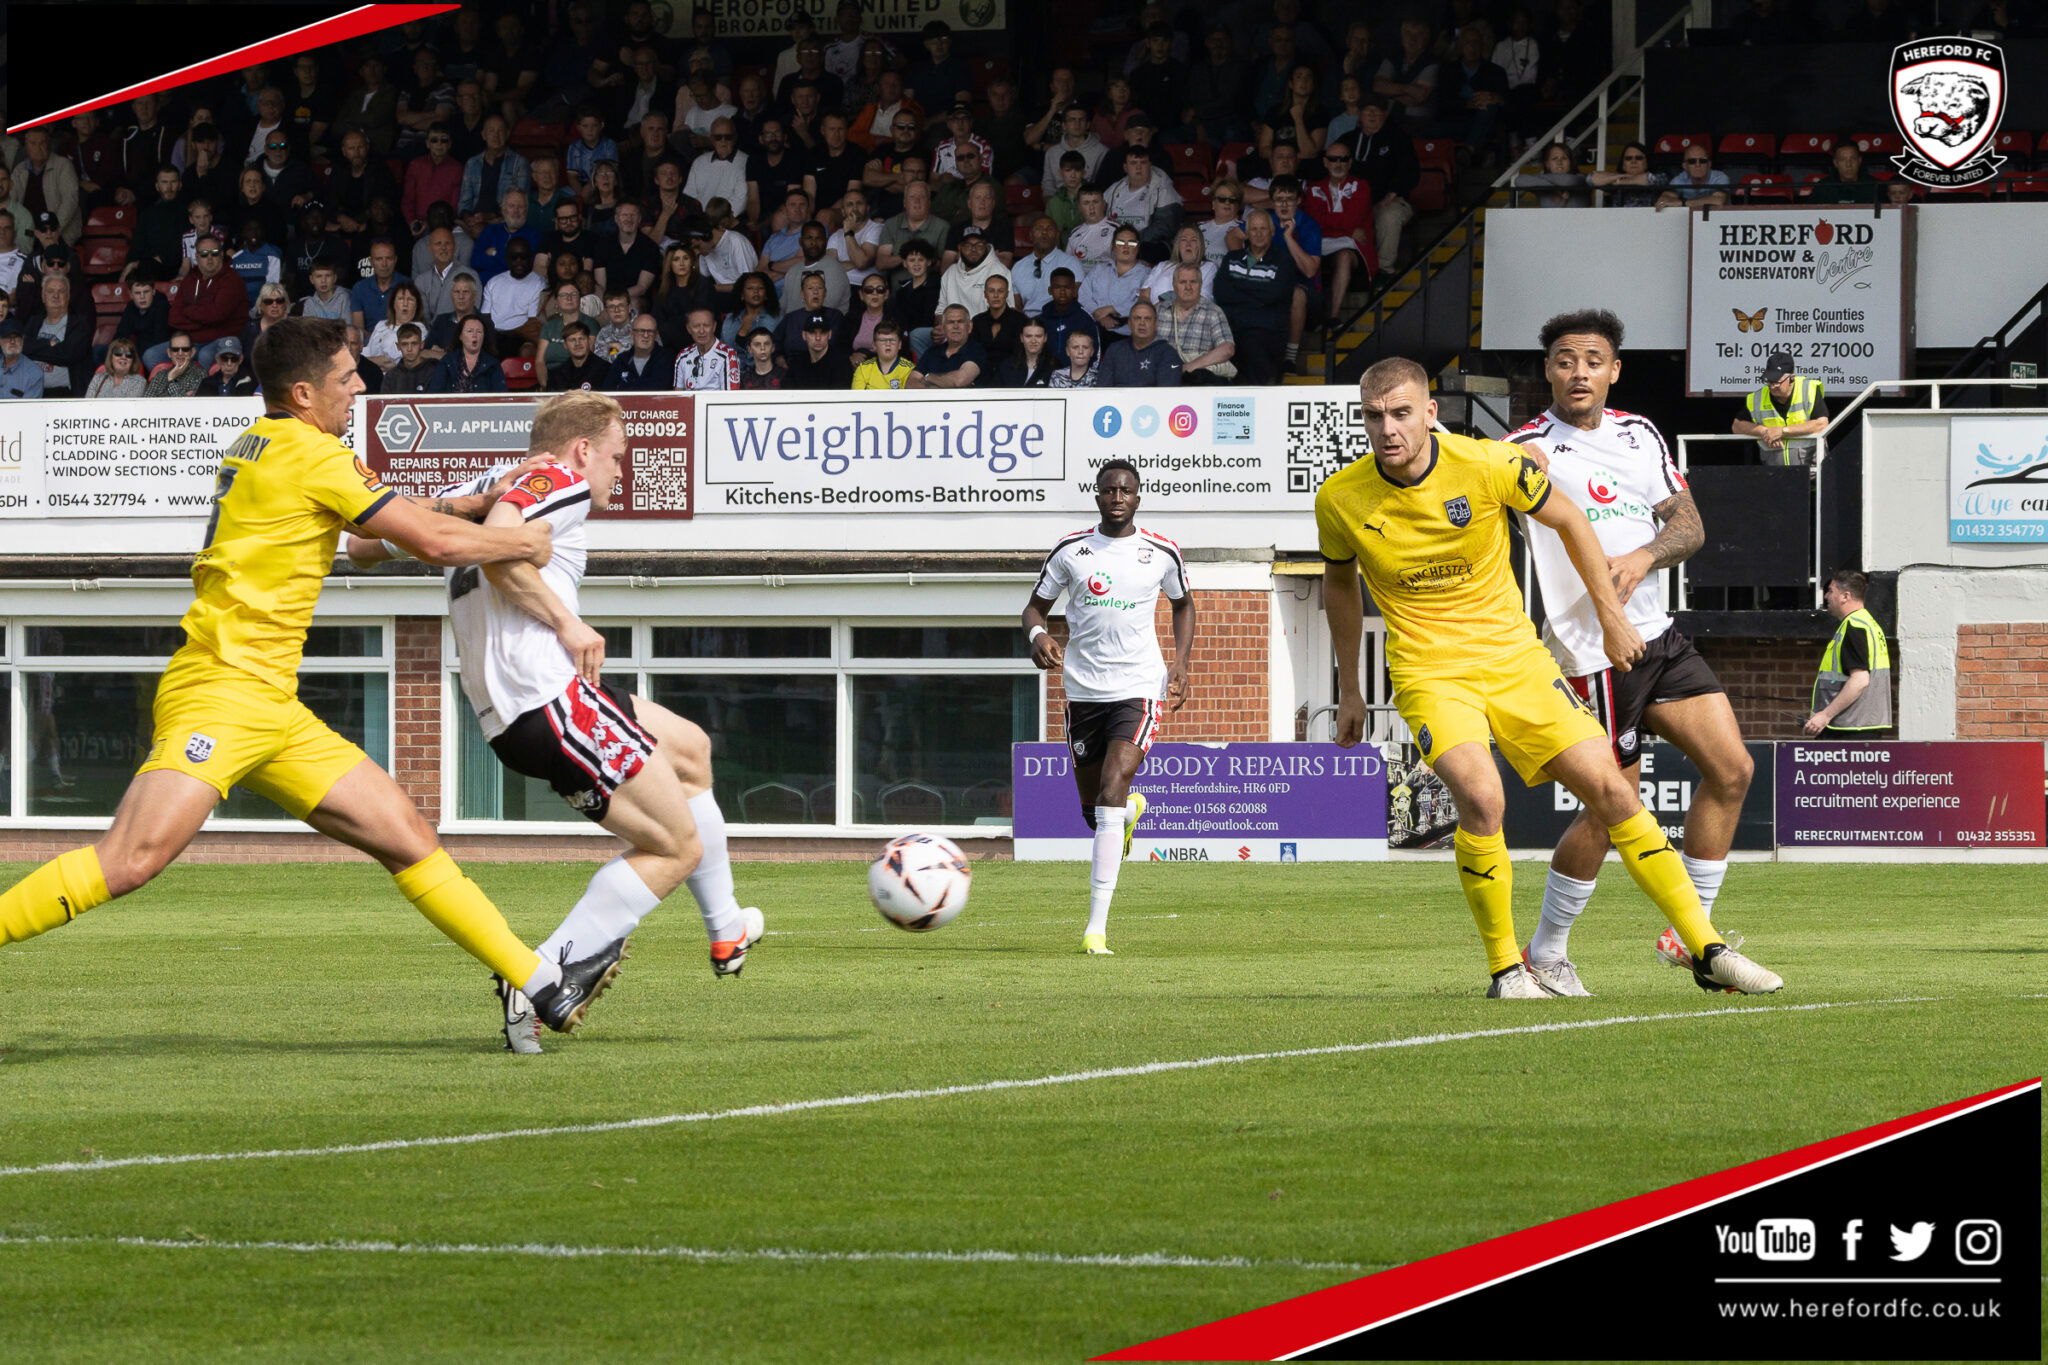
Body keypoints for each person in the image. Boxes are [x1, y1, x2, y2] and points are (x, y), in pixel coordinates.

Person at [0, 317, 626, 1032]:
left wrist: (479, 504)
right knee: (132, 859)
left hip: (271, 704)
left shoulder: (269, 442)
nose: (358, 387)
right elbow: (433, 541)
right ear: (303, 393)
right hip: (223, 690)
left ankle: (539, 983)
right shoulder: (314, 454)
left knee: (407, 835)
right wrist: (524, 539)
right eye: (346, 378)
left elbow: (366, 534)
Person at [1317, 357, 1784, 998]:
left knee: (1615, 793)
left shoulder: (1488, 464)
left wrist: (1612, 618)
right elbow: (1339, 583)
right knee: (1483, 799)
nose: (1388, 429)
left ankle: (1705, 949)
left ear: (1430, 412)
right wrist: (1349, 689)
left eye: (1401, 413)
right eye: (1374, 417)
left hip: (1518, 662)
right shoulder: (1340, 498)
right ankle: (1509, 969)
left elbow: (1571, 520)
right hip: (1431, 672)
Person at [346, 391, 762, 1050]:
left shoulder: (480, 486)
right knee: (675, 848)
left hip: (518, 712)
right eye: (617, 457)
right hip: (549, 699)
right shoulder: (558, 479)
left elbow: (362, 544)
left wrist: (465, 509)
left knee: (689, 749)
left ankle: (726, 928)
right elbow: (503, 551)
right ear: (581, 449)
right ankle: (540, 973)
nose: (620, 472)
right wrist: (568, 623)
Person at [1508, 309, 1755, 997]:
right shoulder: (1523, 448)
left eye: (1593, 360)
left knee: (1733, 769)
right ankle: (1546, 952)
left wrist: (1645, 555)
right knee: (1612, 808)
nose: (1578, 372)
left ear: (1614, 370)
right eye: (1564, 360)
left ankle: (1690, 931)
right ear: (1548, 371)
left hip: (1658, 634)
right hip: (1590, 649)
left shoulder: (1640, 433)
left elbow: (1690, 524)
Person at [1022, 461, 1193, 955]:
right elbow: (1034, 608)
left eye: (1126, 490)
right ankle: (1130, 811)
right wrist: (1038, 636)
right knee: (1094, 811)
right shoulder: (1070, 551)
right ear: (1097, 496)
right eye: (1109, 490)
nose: (1118, 497)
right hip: (1083, 691)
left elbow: (1183, 604)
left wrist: (1180, 664)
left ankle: (1095, 929)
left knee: (1113, 785)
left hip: (1139, 687)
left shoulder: (1160, 552)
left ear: (1138, 497)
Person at [1807, 570, 1893, 740]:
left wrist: (1825, 715)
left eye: (1831, 591)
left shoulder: (1853, 627)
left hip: (1847, 729)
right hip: (1864, 724)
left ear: (1845, 596)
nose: (1826, 596)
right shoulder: (1869, 624)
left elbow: (1860, 680)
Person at [1214, 210, 1294, 386]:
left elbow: (1273, 295)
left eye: (1263, 228)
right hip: (1231, 331)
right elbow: (1221, 292)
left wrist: (1239, 291)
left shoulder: (1283, 260)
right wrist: (1257, 294)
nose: (1258, 234)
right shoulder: (1232, 258)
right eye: (1254, 229)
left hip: (1265, 335)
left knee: (1250, 347)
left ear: (1272, 232)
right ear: (1247, 233)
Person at [155, 234, 249, 369]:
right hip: (191, 340)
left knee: (205, 355)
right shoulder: (190, 279)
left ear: (221, 255)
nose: (209, 258)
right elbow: (174, 318)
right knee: (152, 355)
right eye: (204, 254)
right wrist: (204, 320)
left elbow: (216, 315)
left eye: (214, 253)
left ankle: (200, 383)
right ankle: (176, 382)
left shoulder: (232, 280)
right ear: (197, 257)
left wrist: (189, 311)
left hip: (221, 339)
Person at [1733, 351, 1829, 466]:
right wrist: (1764, 432)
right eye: (1769, 381)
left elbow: (1821, 424)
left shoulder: (1808, 389)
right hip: (1775, 472)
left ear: (1791, 378)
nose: (1772, 386)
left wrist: (1782, 431)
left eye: (1777, 382)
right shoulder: (1757, 398)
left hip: (1811, 470)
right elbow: (1737, 426)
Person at [1158, 263, 1236, 384]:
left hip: (1198, 379)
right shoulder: (1159, 310)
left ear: (1200, 284)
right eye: (1182, 282)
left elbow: (1227, 349)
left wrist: (1188, 368)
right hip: (1163, 375)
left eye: (1193, 282)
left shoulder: (1213, 312)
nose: (1188, 287)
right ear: (1174, 285)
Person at [1098, 300, 1182, 387]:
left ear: (1156, 324)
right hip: (1117, 396)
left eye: (1147, 319)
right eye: (1137, 318)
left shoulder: (1168, 353)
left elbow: (1167, 392)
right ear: (1129, 323)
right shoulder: (1115, 350)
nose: (1142, 323)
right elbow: (1102, 388)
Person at [906, 304, 983, 388]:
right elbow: (910, 383)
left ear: (970, 326)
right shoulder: (931, 352)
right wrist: (936, 388)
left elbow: (960, 380)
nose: (956, 326)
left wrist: (928, 377)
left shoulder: (976, 351)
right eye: (950, 322)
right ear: (943, 327)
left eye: (960, 321)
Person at [429, 314, 506, 391]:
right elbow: (435, 392)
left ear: (484, 337)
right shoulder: (448, 361)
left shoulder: (493, 365)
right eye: (470, 331)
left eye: (479, 332)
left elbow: (501, 394)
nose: (474, 335)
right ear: (460, 336)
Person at [675, 307, 742, 389]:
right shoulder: (682, 356)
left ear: (714, 327)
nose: (701, 331)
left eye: (706, 325)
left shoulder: (728, 355)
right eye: (696, 326)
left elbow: (730, 395)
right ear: (688, 329)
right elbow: (678, 393)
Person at [785, 311, 854, 389]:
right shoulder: (797, 362)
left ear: (830, 334)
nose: (818, 338)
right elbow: (787, 392)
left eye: (823, 332)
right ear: (804, 335)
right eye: (812, 332)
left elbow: (841, 394)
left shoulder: (841, 363)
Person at [1584, 142, 1664, 208]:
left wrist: (1622, 182)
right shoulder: (1616, 179)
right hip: (1619, 221)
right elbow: (1590, 179)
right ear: (1623, 165)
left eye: (1639, 158)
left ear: (1647, 162)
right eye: (1628, 158)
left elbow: (1652, 179)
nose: (1633, 161)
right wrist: (1619, 176)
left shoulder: (1660, 176)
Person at [1806, 139, 1883, 205]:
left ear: (1859, 161)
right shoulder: (1823, 188)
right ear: (1835, 163)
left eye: (1853, 159)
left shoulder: (1877, 187)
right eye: (1843, 160)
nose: (1848, 164)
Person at [606, 314, 671, 391]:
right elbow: (608, 390)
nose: (646, 335)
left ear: (656, 335)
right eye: (641, 331)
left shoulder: (666, 358)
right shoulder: (621, 360)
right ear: (632, 334)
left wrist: (623, 386)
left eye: (650, 331)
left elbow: (659, 387)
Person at [1655, 147, 1731, 209]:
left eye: (1702, 161)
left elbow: (1718, 201)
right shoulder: (1680, 179)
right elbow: (1663, 200)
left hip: (1720, 218)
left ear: (1709, 164)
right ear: (1685, 166)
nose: (1697, 164)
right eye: (1692, 161)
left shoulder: (1720, 177)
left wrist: (1682, 203)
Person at [852, 320, 915, 389]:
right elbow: (856, 395)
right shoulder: (863, 369)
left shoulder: (909, 370)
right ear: (874, 345)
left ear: (899, 344)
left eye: (892, 340)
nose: (888, 344)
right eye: (882, 340)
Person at [997, 318, 1058, 387]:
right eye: (1028, 336)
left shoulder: (1054, 366)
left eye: (1038, 336)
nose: (1033, 341)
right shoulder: (1007, 366)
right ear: (1021, 338)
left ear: (1045, 338)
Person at [144, 332, 207, 396]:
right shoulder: (160, 375)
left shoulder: (200, 374)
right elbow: (147, 399)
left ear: (192, 352)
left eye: (185, 349)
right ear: (169, 353)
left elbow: (186, 402)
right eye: (175, 349)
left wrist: (171, 380)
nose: (180, 353)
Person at [382, 321, 436, 393]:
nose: (409, 349)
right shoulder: (391, 376)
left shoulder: (434, 371)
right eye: (404, 344)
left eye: (414, 344)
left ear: (422, 345)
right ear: (398, 346)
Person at [0, 321, 44, 398]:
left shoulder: (34, 373)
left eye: (17, 337)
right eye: (7, 337)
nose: (12, 341)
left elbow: (29, 405)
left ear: (23, 339)